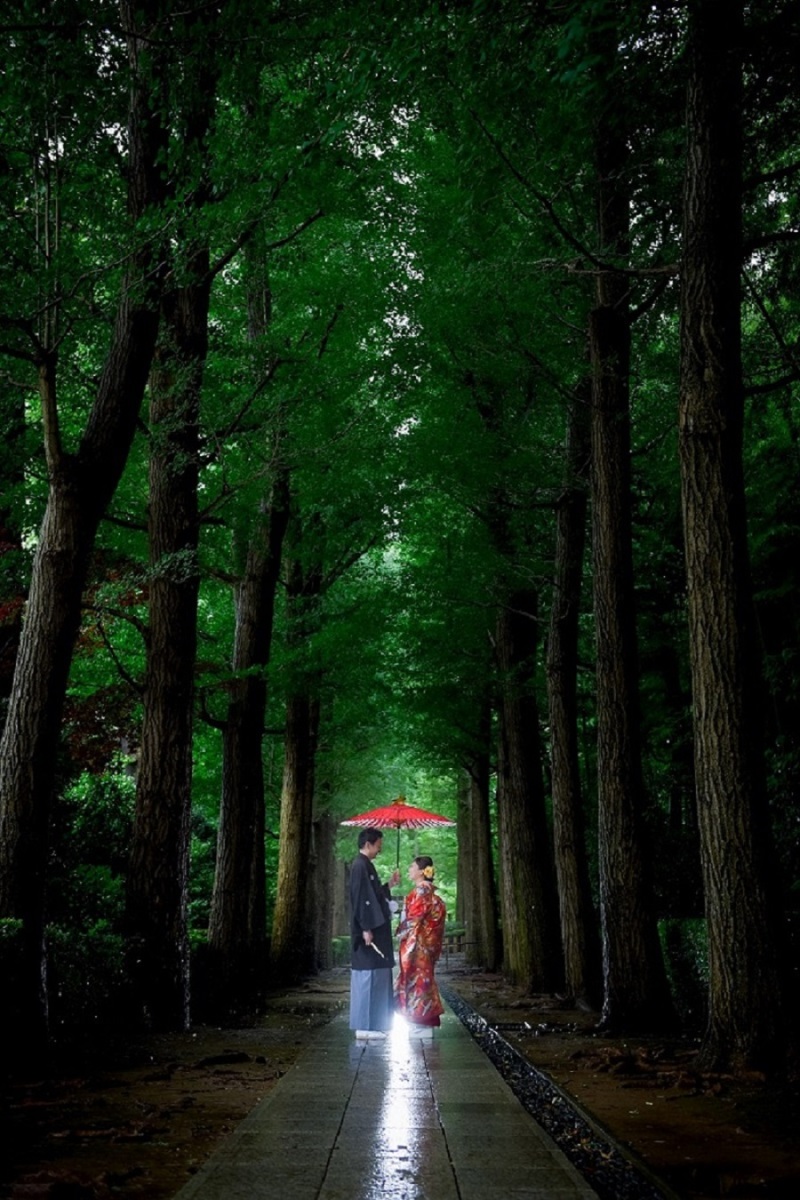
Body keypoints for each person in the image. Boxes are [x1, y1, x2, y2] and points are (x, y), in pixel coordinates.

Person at [349, 827, 401, 1039]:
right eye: (378, 845)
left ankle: (375, 1024)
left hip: (374, 930)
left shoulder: (366, 866)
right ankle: (365, 1026)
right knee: (368, 977)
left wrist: (389, 884)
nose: (380, 849)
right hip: (368, 933)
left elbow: (374, 894)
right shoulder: (359, 866)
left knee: (377, 975)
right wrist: (365, 928)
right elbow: (362, 899)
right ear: (368, 844)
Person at [394, 855, 446, 1032]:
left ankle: (420, 1022)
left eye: (412, 867)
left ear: (422, 871)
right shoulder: (425, 892)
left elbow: (413, 919)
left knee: (418, 982)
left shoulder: (422, 891)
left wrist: (400, 930)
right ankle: (422, 1022)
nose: (409, 870)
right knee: (423, 981)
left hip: (418, 946)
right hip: (424, 945)